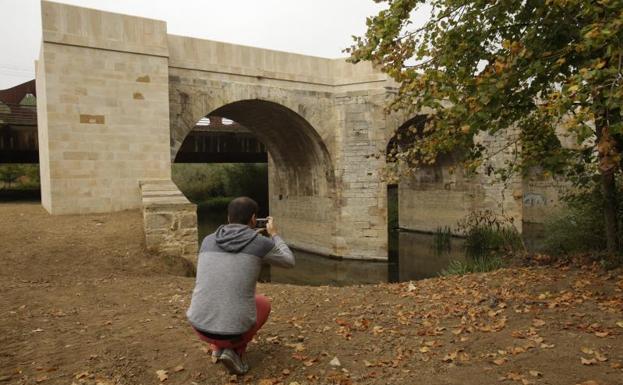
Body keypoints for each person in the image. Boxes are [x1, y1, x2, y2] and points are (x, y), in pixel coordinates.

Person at [187, 196, 295, 375]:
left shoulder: (207, 240)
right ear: (253, 219)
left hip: (199, 327)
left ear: (228, 217)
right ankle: (235, 351)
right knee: (262, 303)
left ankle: (218, 347)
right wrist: (274, 234)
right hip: (233, 332)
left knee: (222, 296)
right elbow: (289, 261)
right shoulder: (260, 243)